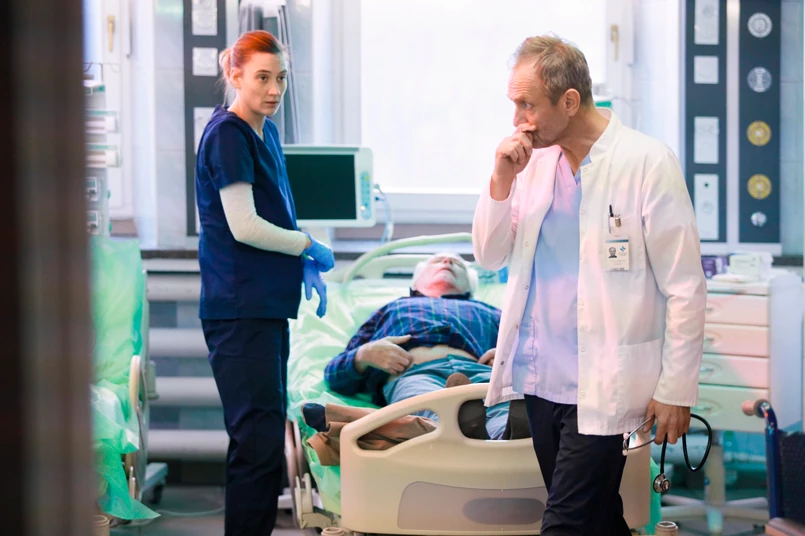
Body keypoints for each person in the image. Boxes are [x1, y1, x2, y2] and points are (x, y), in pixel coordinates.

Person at [472, 35, 707, 535]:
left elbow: (685, 287)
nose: (517, 120)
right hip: (542, 380)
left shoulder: (646, 163)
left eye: (528, 104)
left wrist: (676, 389)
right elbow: (489, 255)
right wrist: (501, 179)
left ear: (570, 101)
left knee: (564, 524)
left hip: (606, 383)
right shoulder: (531, 164)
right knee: (597, 520)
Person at [194, 30, 334, 536]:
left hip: (265, 306)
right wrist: (306, 246)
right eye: (261, 78)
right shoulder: (227, 136)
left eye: (281, 78)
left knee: (264, 440)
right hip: (239, 308)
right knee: (255, 445)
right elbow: (245, 226)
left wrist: (299, 259)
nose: (274, 90)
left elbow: (277, 211)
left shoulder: (264, 130)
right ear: (234, 75)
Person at [323, 253, 528, 440]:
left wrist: (510, 356)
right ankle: (469, 433)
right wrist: (364, 354)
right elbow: (335, 375)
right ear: (416, 282)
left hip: (486, 376)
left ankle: (499, 436)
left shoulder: (493, 313)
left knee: (506, 414)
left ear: (470, 286)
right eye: (437, 261)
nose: (447, 261)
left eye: (458, 264)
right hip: (414, 375)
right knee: (428, 409)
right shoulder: (393, 308)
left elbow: (534, 354)